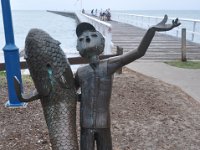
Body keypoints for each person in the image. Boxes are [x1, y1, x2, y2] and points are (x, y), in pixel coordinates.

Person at [75, 16, 180, 150]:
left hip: (103, 123)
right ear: (78, 46)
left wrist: (151, 31)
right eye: (82, 38)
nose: (87, 38)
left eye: (91, 35)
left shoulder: (108, 66)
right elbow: (69, 94)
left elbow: (139, 52)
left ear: (101, 40)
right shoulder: (81, 72)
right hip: (85, 124)